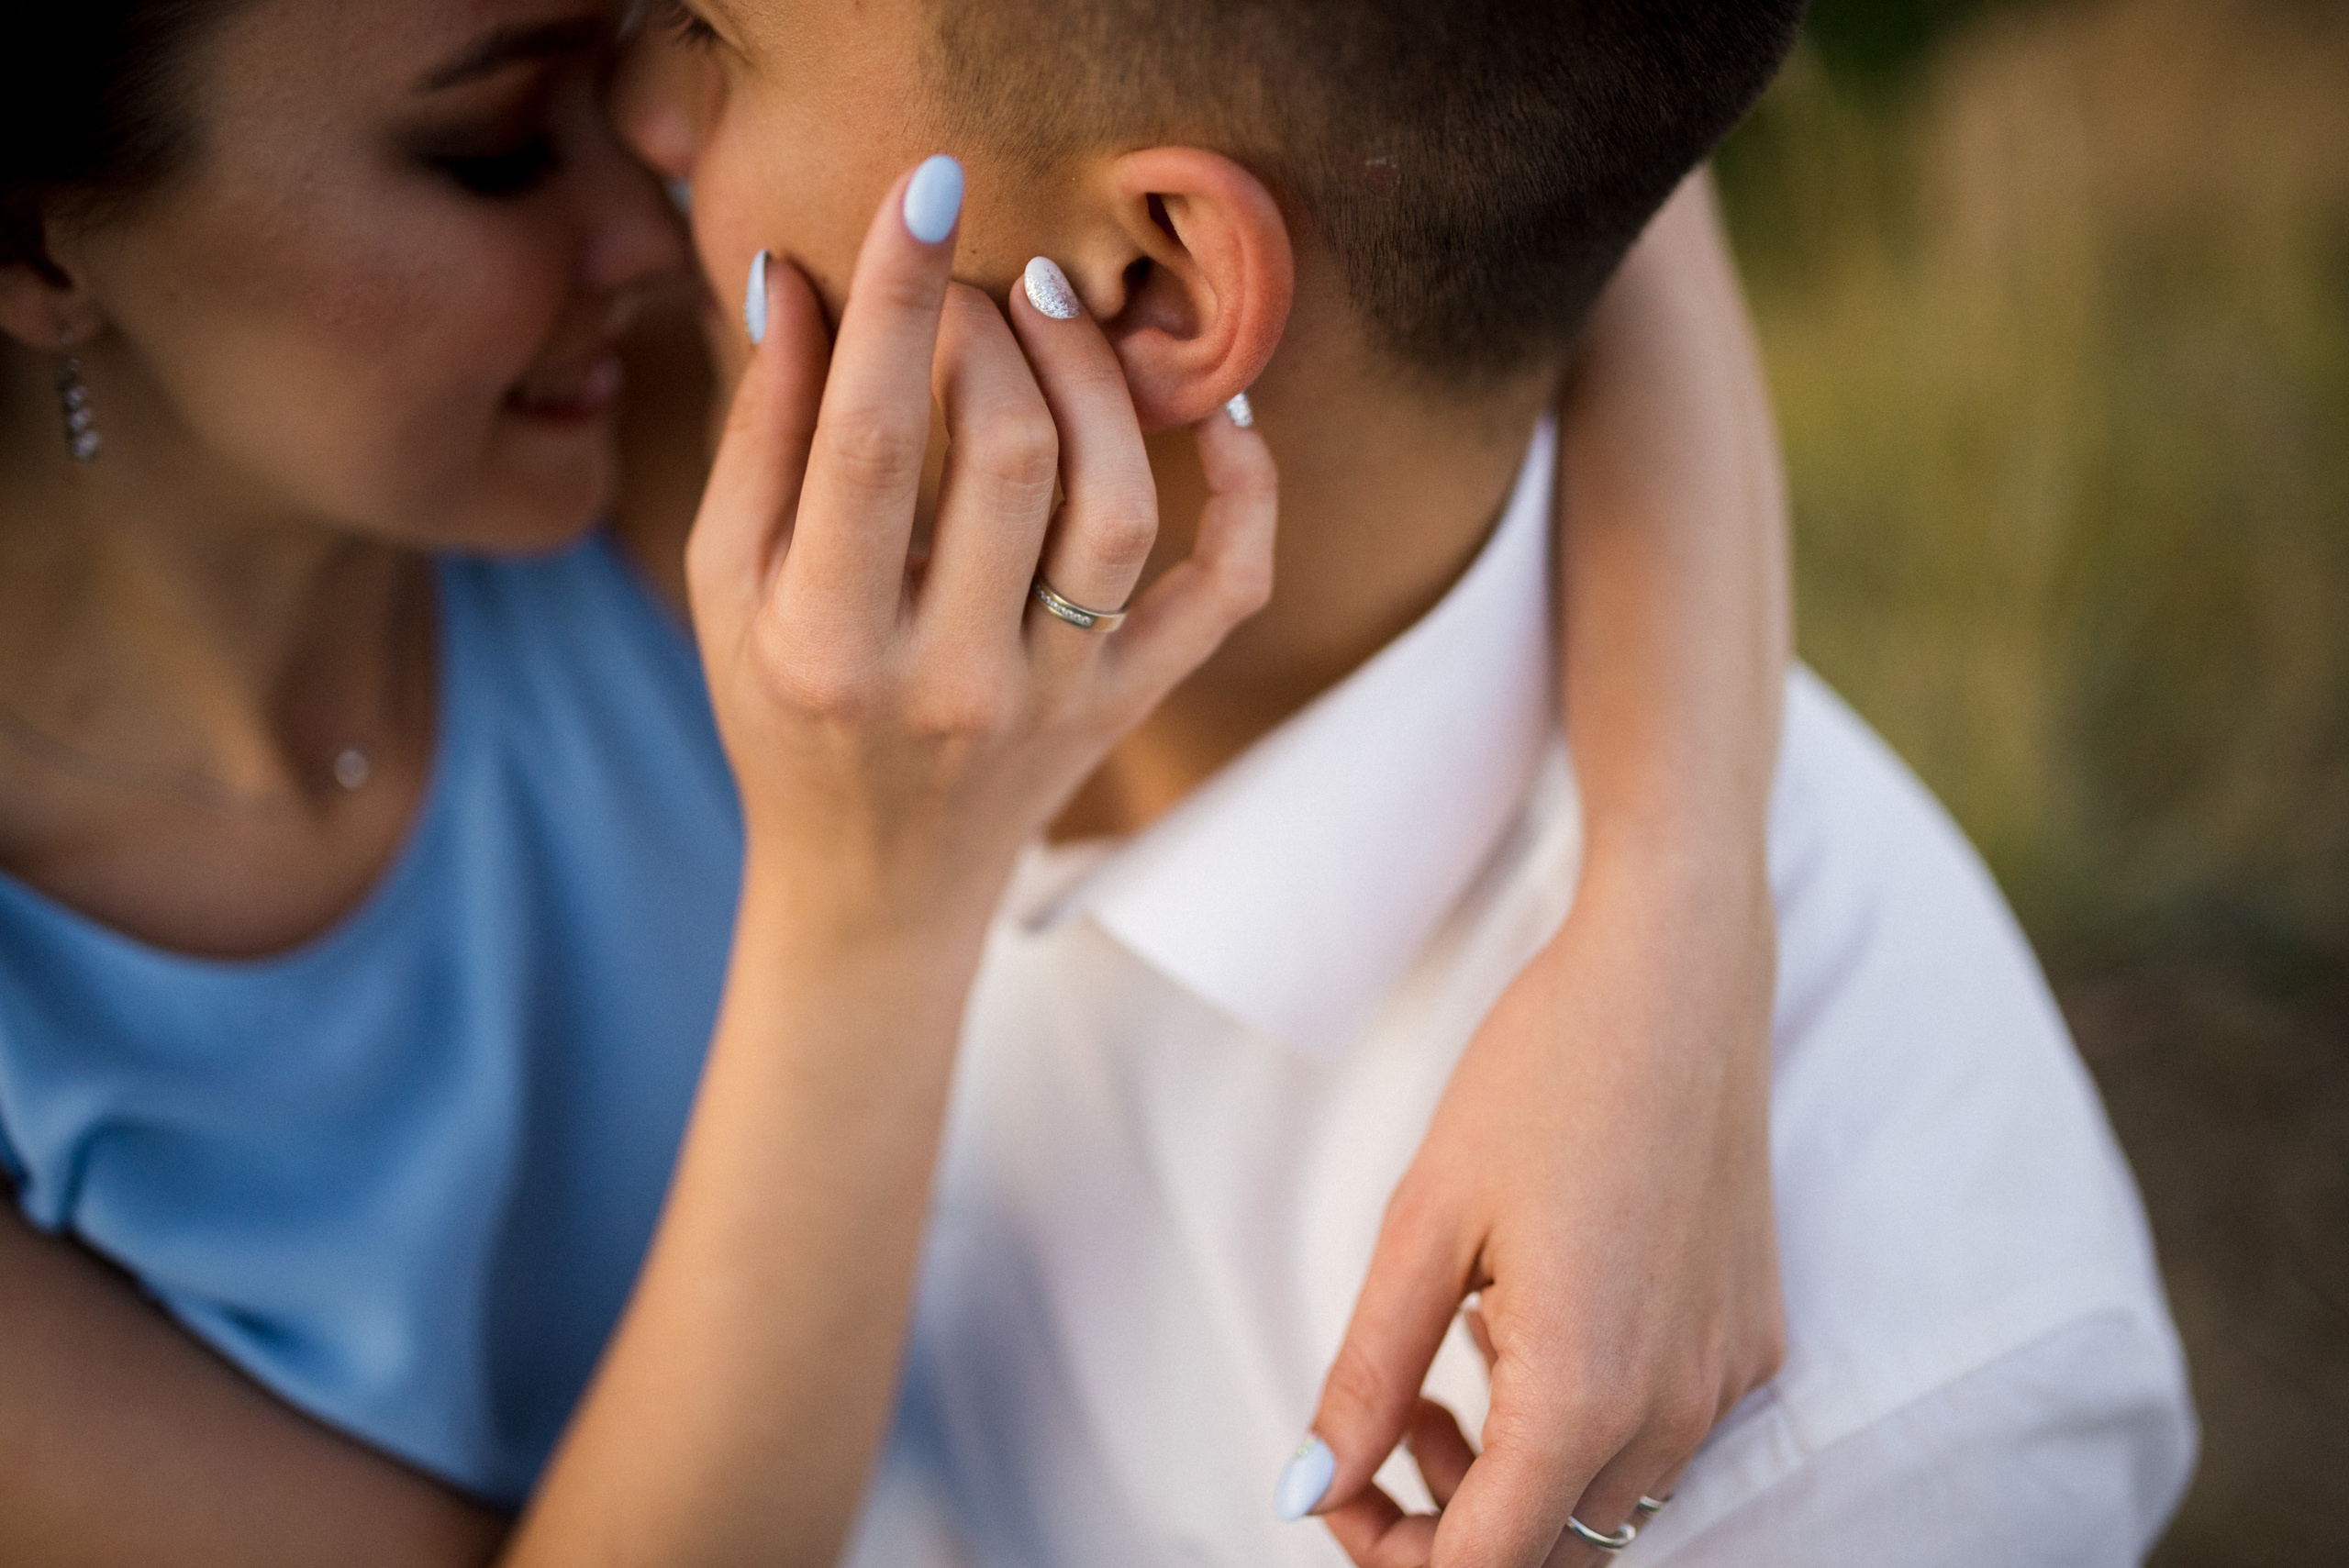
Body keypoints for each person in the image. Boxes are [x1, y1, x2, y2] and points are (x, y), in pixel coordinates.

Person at [1, 2, 1788, 1563]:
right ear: (39, 236)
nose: (649, 191)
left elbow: (1522, 131)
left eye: (666, 22)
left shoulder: (682, 386)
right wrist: (864, 912)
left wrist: (1670, 933)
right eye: (488, 149)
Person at [620, 0, 2201, 1564]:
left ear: (1159, 283)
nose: (636, 112)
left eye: (711, 33)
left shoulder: (1848, 1447)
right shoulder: (613, 425)